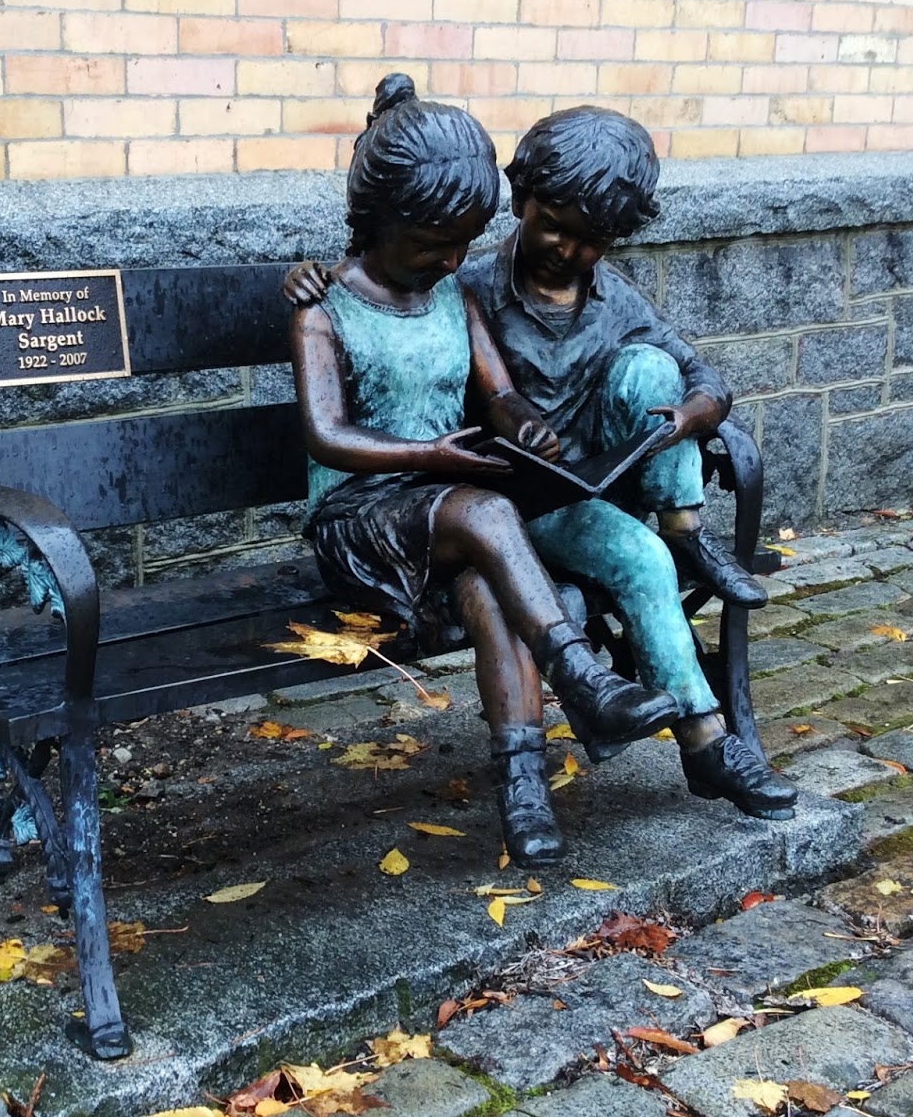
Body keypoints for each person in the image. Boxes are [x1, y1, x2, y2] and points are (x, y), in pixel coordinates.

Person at [287, 106, 796, 820]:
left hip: (550, 493)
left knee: (649, 512)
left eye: (592, 240)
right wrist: (311, 276)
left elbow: (514, 395)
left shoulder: (562, 293)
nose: (565, 248)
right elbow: (342, 409)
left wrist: (540, 425)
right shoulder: (467, 287)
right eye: (554, 225)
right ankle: (626, 705)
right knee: (592, 555)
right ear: (521, 202)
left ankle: (705, 732)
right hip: (470, 502)